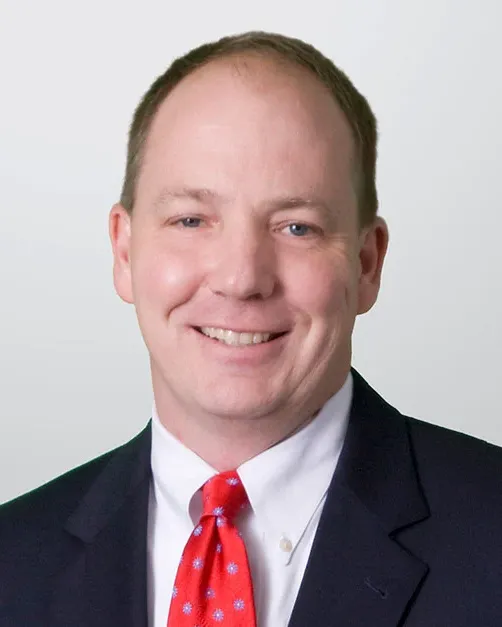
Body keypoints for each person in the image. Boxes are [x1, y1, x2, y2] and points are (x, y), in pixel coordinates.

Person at [1, 30, 501, 627]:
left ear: (367, 264)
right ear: (125, 251)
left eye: (297, 227)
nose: (242, 279)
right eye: (191, 219)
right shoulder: (13, 563)